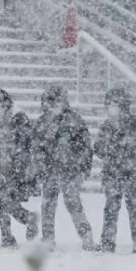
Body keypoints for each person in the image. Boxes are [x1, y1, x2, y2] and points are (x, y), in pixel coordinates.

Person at [31, 85, 95, 250]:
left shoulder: (75, 121)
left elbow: (85, 147)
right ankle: (48, 238)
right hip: (50, 171)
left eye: (58, 102)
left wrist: (81, 168)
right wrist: (40, 167)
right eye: (51, 103)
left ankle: (86, 235)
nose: (54, 107)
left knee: (73, 202)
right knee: (47, 205)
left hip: (70, 171)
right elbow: (36, 147)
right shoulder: (42, 122)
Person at [93, 87, 136, 254]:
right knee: (111, 208)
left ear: (122, 105)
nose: (110, 107)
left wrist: (124, 147)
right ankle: (107, 241)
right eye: (108, 104)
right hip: (113, 173)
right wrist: (108, 148)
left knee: (135, 209)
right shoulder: (106, 126)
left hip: (132, 173)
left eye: (113, 104)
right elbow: (99, 149)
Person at [0, 88, 39, 247]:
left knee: (4, 204)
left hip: (17, 170)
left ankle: (13, 232)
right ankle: (16, 228)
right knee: (2, 205)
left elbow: (26, 146)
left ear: (7, 105)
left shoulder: (20, 119)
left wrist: (16, 166)